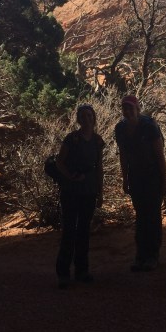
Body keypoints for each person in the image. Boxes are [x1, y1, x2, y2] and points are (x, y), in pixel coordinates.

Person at [115, 95, 166, 272]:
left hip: (153, 177)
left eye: (131, 108)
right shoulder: (120, 128)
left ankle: (152, 256)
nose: (128, 111)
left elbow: (160, 156)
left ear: (137, 109)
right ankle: (141, 256)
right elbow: (123, 155)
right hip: (136, 177)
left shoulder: (149, 126)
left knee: (152, 216)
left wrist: (165, 182)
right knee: (141, 217)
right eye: (125, 108)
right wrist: (125, 179)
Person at [55, 103, 105, 288]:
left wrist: (101, 192)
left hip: (89, 190)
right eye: (83, 116)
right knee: (69, 230)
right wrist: (70, 176)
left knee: (84, 230)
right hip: (71, 190)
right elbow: (59, 162)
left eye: (89, 116)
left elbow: (99, 168)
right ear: (78, 119)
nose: (87, 119)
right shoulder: (72, 139)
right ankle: (63, 273)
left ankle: (82, 270)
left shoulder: (98, 141)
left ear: (94, 118)